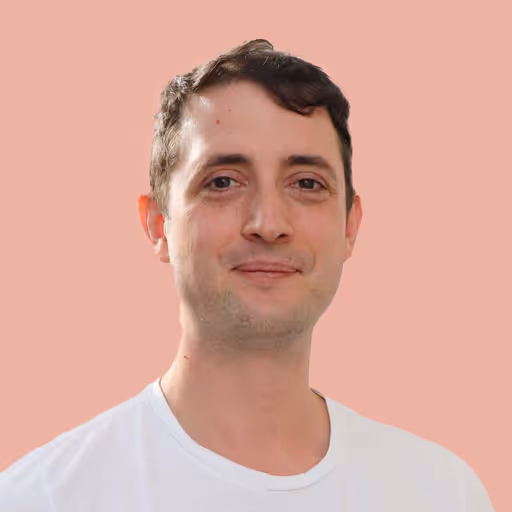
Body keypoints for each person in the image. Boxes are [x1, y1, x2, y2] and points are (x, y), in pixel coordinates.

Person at [0, 39, 494, 512]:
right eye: (223, 182)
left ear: (350, 226)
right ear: (158, 224)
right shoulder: (41, 501)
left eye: (307, 183)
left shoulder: (442, 494)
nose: (269, 224)